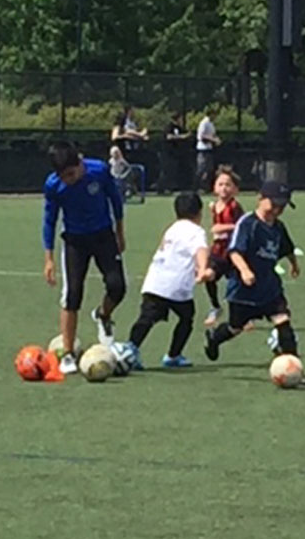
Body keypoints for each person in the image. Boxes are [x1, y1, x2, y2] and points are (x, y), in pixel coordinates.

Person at [203, 179, 305, 384]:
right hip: (244, 289)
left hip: (269, 287)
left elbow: (287, 247)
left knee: (283, 323)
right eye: (274, 203)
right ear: (260, 199)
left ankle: (296, 370)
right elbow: (234, 251)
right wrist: (244, 270)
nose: (278, 209)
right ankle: (214, 339)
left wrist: (294, 264)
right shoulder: (248, 223)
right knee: (236, 326)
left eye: (283, 206)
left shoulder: (278, 227)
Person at [42, 141, 126, 375]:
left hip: (103, 235)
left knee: (117, 286)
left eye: (71, 173)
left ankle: (103, 314)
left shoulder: (98, 170)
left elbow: (115, 200)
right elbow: (49, 221)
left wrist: (120, 232)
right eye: (63, 176)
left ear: (79, 163)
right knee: (72, 294)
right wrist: (48, 258)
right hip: (74, 241)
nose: (68, 179)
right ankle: (68, 354)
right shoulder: (54, 186)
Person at [125, 192, 211, 370]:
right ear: (199, 213)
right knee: (186, 318)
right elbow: (201, 249)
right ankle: (173, 355)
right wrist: (203, 268)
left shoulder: (173, 228)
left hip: (154, 282)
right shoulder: (196, 231)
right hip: (176, 287)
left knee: (146, 318)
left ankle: (131, 348)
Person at [204, 165, 244, 326]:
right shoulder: (215, 206)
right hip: (218, 251)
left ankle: (242, 316)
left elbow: (242, 225)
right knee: (209, 276)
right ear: (214, 187)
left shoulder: (235, 207)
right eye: (220, 184)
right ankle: (215, 307)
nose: (224, 188)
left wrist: (224, 228)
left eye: (228, 185)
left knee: (236, 286)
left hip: (233, 252)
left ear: (235, 189)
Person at [158, 110, 191, 193]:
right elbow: (168, 136)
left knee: (173, 171)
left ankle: (170, 187)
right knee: (166, 170)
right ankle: (161, 188)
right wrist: (181, 137)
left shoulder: (179, 128)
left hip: (175, 154)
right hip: (167, 153)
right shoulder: (169, 127)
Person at [195, 109, 220, 191]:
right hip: (203, 149)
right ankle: (197, 186)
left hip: (209, 148)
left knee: (209, 169)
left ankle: (204, 187)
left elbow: (212, 134)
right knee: (202, 168)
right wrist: (213, 140)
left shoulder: (211, 124)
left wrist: (216, 139)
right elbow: (201, 136)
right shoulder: (204, 123)